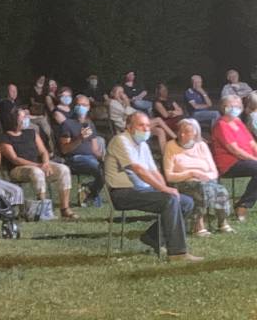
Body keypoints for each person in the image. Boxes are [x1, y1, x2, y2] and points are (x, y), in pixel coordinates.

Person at [104, 112, 200, 261]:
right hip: (122, 192)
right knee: (170, 200)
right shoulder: (121, 140)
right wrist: (163, 189)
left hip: (143, 190)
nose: (146, 129)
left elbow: (153, 171)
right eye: (141, 125)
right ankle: (177, 253)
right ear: (129, 127)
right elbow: (138, 169)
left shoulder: (142, 145)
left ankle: (152, 238)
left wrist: (164, 187)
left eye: (148, 125)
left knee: (186, 202)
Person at [0, 108, 76, 219]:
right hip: (18, 169)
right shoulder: (5, 138)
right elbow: (14, 159)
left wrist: (45, 163)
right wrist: (38, 166)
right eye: (23, 117)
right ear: (14, 119)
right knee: (37, 172)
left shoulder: (31, 133)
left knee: (63, 169)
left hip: (40, 165)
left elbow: (43, 151)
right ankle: (43, 208)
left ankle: (65, 208)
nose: (27, 119)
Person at [163, 118, 234, 235]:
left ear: (195, 133)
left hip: (205, 181)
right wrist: (190, 174)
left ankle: (222, 222)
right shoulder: (171, 146)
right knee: (201, 189)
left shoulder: (202, 146)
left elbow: (214, 172)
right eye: (180, 131)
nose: (182, 134)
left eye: (186, 131)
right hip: (182, 182)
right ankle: (198, 224)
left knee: (221, 190)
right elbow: (169, 176)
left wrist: (205, 177)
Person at [210, 94, 257, 222]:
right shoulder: (221, 125)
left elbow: (252, 143)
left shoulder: (238, 122)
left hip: (246, 160)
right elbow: (235, 151)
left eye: (237, 105)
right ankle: (243, 206)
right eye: (231, 105)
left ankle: (243, 204)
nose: (234, 108)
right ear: (223, 107)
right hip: (230, 164)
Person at [58, 96, 105, 207]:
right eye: (78, 105)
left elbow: (95, 149)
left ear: (88, 107)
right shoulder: (67, 124)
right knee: (97, 167)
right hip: (75, 158)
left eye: (84, 105)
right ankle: (91, 193)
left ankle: (90, 190)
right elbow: (64, 150)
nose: (81, 107)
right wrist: (80, 138)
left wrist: (104, 158)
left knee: (107, 169)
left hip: (91, 158)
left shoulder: (90, 124)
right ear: (74, 106)